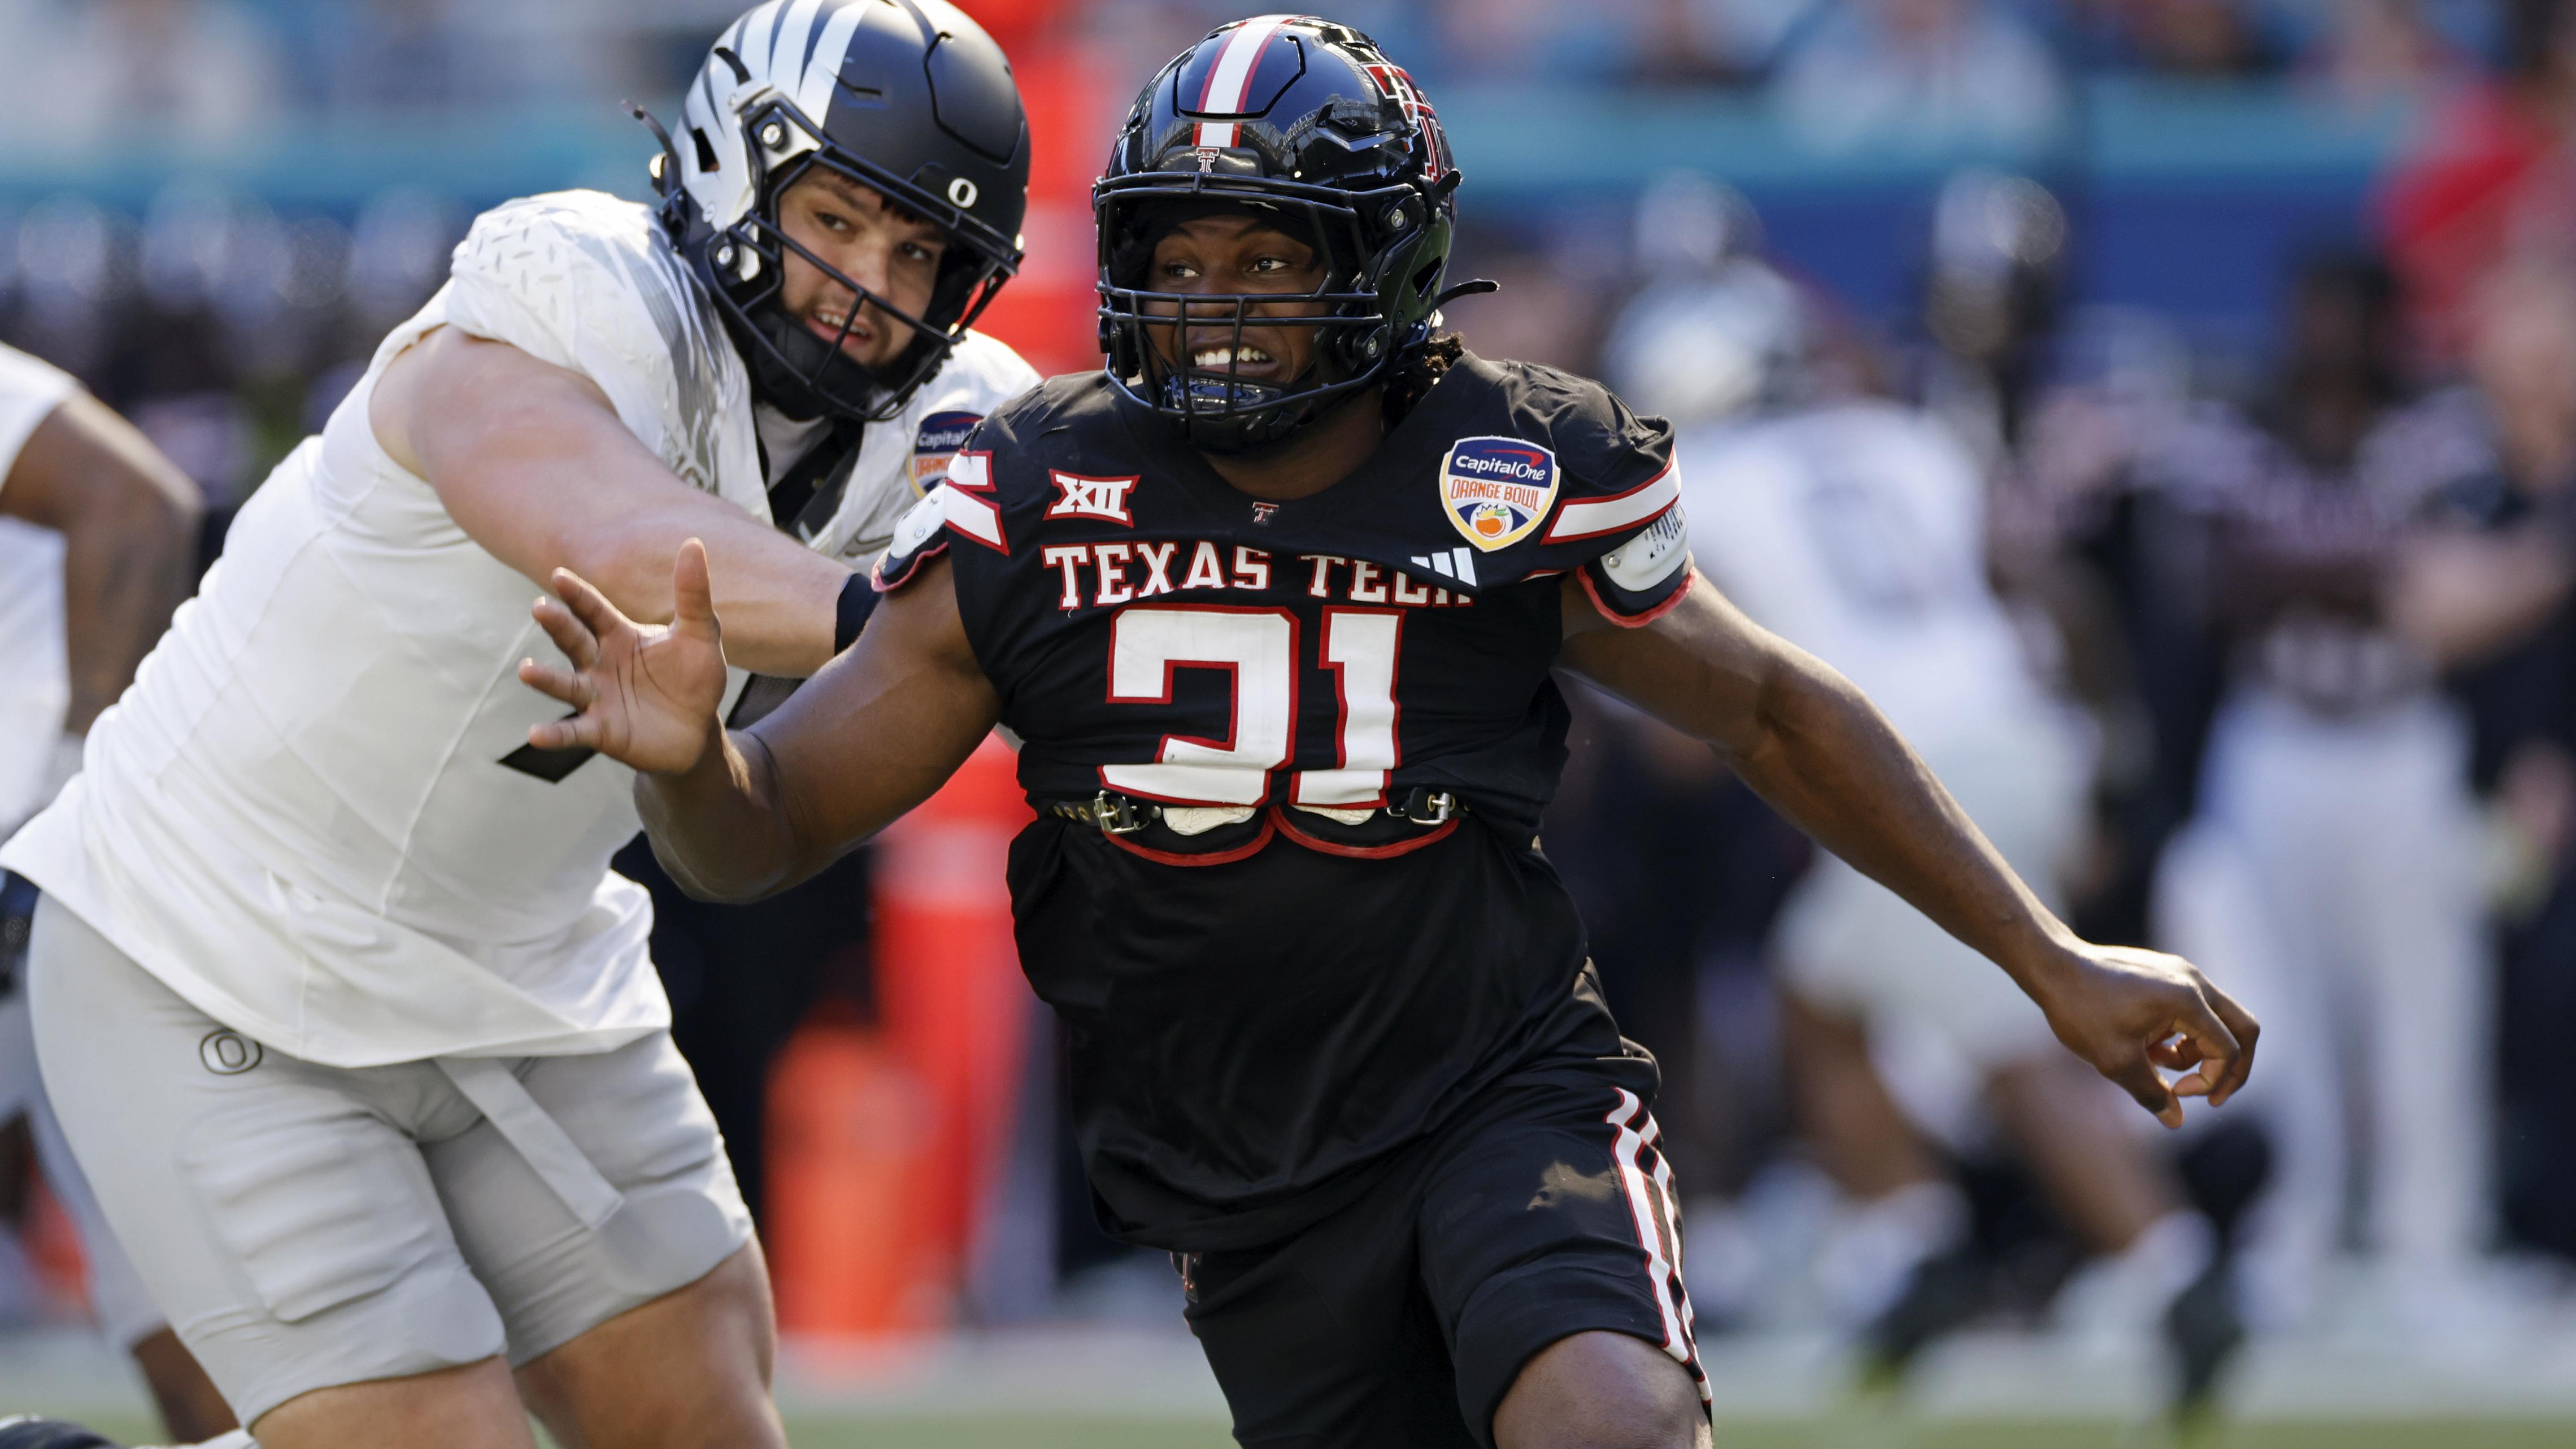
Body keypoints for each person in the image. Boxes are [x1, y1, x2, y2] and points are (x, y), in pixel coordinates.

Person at [521, 19, 2259, 1448]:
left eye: (1266, 259)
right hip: (1238, 1169)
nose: (1211, 303)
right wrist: (684, 759)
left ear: (1381, 263)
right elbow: (774, 825)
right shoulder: (1038, 486)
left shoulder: (1509, 460)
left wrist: (2048, 955)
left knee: (1612, 1422)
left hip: (1501, 1083)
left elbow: (1774, 709)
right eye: (1178, 256)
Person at [0, 2, 1036, 1446]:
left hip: (531, 969)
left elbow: (769, 823)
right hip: (217, 943)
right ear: (738, 170)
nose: (870, 282)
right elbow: (612, 535)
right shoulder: (575, 284)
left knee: (707, 1425)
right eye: (839, 218)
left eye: (920, 250)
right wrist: (914, 614)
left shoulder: (957, 428)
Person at [1606, 253, 2239, 1408]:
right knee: (1816, 995)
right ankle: (1915, 1244)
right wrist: (2101, 768)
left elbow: (1675, 712)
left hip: (1907, 764)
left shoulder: (1702, 478)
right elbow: (2050, 588)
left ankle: (2173, 1267)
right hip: (2020, 730)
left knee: (2010, 1031)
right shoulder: (1901, 438)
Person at [0, 342, 229, 1442]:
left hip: (53, 885)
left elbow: (135, 504)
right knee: (190, 1313)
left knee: (207, 1322)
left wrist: (60, 802)